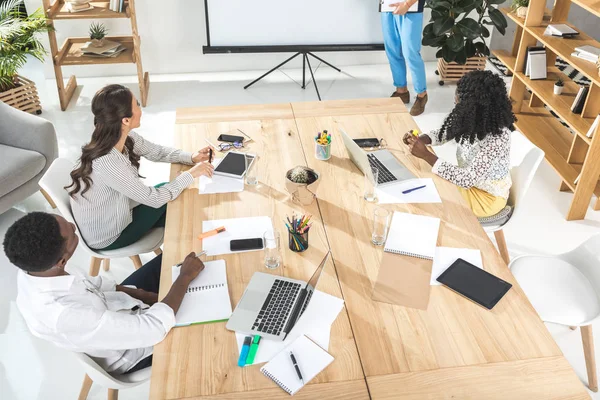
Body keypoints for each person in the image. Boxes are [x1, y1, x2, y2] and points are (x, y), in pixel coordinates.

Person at [3, 212, 204, 374]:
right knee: (208, 321)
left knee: (176, 256)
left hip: (118, 306)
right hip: (135, 351)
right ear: (61, 261)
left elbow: (99, 285)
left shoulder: (40, 269)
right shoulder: (65, 315)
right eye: (72, 233)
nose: (74, 226)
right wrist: (183, 278)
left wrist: (146, 295)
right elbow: (154, 328)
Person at [67, 84, 214, 251]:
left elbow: (156, 152)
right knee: (181, 204)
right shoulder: (108, 163)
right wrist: (190, 175)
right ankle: (193, 249)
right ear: (126, 120)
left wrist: (190, 157)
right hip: (110, 236)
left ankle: (194, 243)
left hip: (121, 210)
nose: (140, 108)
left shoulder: (118, 135)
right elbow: (154, 199)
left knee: (177, 199)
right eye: (136, 104)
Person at [403, 70, 515, 218]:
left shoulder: (497, 138)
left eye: (459, 102)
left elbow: (467, 179)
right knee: (423, 185)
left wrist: (426, 155)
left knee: (426, 199)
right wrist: (423, 139)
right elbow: (448, 132)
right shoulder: (474, 119)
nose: (455, 103)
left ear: (474, 107)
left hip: (486, 199)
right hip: (470, 185)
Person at [382, 0, 428, 116]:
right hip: (387, 7)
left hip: (411, 7)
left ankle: (422, 95)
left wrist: (407, 4)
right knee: (393, 51)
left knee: (410, 53)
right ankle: (401, 91)